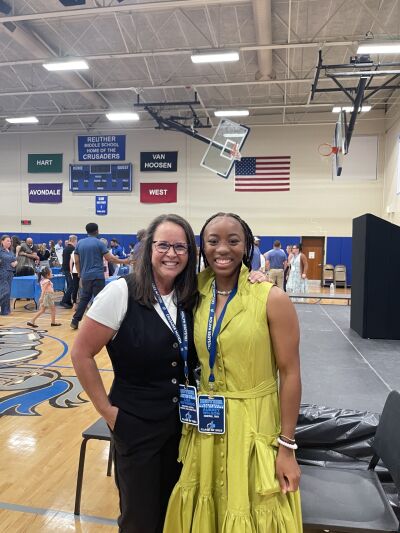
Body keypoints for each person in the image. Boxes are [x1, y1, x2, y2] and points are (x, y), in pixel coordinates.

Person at [164, 212, 302, 533]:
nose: (222, 249)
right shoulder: (193, 293)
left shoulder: (271, 298)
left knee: (252, 509)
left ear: (247, 246)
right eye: (213, 241)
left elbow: (291, 374)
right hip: (207, 423)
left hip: (253, 424)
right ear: (202, 248)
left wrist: (287, 447)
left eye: (233, 240)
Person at [71, 214, 199, 533]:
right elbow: (81, 353)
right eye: (164, 245)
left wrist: (257, 278)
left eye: (180, 247)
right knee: (140, 519)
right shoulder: (121, 293)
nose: (172, 253)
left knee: (175, 512)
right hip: (136, 424)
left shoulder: (192, 295)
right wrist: (109, 413)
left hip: (183, 426)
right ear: (148, 248)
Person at [70, 223, 131, 330]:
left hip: (86, 276)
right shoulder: (99, 243)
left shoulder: (80, 243)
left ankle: (75, 321)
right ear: (97, 231)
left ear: (86, 231)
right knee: (100, 299)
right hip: (98, 276)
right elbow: (110, 259)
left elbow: (77, 261)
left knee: (84, 298)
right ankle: (97, 323)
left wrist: (80, 274)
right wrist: (124, 261)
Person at [0, 235, 18, 315]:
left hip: (10, 273)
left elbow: (15, 259)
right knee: (5, 292)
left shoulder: (10, 251)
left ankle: (5, 311)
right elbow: (11, 258)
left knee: (8, 293)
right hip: (3, 272)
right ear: (2, 241)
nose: (9, 242)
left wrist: (16, 262)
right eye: (7, 241)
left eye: (10, 241)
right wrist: (14, 260)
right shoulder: (1, 251)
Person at [59, 235, 78, 308]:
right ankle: (64, 301)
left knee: (70, 285)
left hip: (65, 269)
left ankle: (68, 301)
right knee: (72, 286)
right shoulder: (72, 249)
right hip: (69, 270)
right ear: (74, 240)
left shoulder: (66, 248)